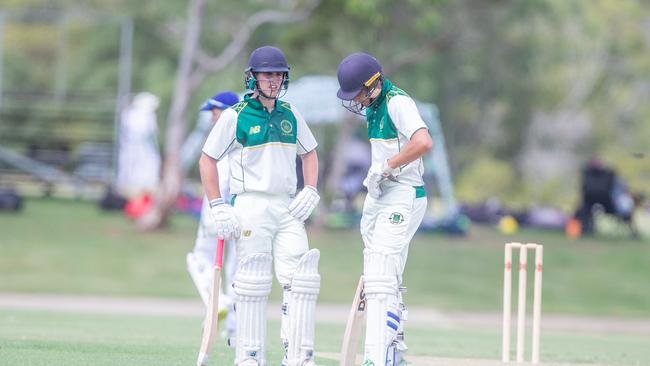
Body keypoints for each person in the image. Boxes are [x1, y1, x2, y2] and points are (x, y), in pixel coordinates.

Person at [199, 45, 321, 366]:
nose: (274, 81)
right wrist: (218, 205)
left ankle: (298, 355)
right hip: (251, 203)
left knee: (301, 280)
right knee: (253, 282)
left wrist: (310, 188)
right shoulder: (235, 116)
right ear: (252, 77)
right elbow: (207, 160)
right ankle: (250, 357)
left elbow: (309, 153)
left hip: (287, 206)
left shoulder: (291, 113)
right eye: (268, 74)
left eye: (279, 75)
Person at [336, 52, 433, 366]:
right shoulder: (375, 107)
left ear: (373, 84)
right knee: (382, 274)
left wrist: (388, 166)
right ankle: (391, 352)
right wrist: (377, 179)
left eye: (359, 94)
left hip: (405, 192)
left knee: (382, 275)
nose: (357, 101)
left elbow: (423, 142)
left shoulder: (396, 102)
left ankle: (380, 357)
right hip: (384, 193)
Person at [183, 91, 240, 340]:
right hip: (241, 217)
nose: (212, 118)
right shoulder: (245, 141)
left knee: (197, 259)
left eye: (215, 112)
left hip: (217, 215)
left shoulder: (224, 143)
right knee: (236, 271)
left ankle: (218, 301)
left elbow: (222, 180)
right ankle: (235, 331)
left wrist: (219, 212)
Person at [116, 92, 161, 198]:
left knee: (130, 169)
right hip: (142, 150)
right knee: (145, 168)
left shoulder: (128, 114)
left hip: (131, 149)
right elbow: (150, 132)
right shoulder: (146, 116)